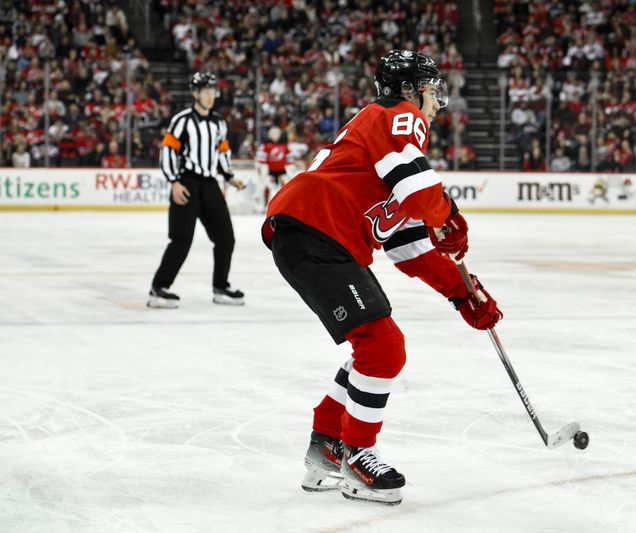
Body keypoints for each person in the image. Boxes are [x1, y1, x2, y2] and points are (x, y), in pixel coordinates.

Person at [261, 50, 503, 505]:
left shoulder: (385, 144)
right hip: (317, 231)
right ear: (411, 90)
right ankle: (358, 455)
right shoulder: (398, 116)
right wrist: (448, 215)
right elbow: (420, 189)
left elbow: (408, 246)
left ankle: (327, 449)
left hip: (316, 235)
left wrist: (463, 293)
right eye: (432, 91)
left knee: (372, 346)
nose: (436, 103)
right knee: (383, 345)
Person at [147, 72, 246, 309]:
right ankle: (159, 288)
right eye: (205, 91)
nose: (210, 96)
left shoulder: (219, 123)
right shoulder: (182, 120)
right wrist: (174, 181)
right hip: (187, 183)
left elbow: (222, 153)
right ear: (195, 94)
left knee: (226, 238)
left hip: (210, 184)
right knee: (181, 239)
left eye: (213, 91)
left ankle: (221, 286)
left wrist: (230, 177)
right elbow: (169, 151)